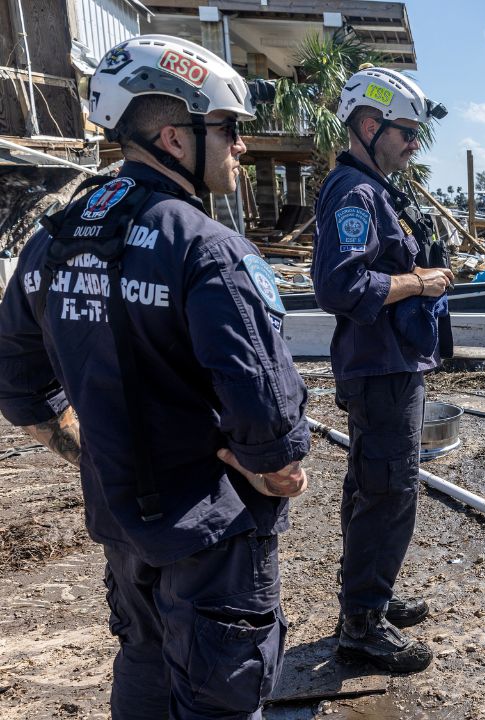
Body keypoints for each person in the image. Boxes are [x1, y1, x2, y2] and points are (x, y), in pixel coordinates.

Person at [0, 35, 310, 718]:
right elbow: (275, 433)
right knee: (219, 700)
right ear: (175, 137)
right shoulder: (208, 250)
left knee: (143, 670)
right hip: (211, 541)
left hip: (122, 528)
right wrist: (277, 470)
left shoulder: (54, 238)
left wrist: (92, 452)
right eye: (230, 128)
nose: (243, 146)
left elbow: (22, 393)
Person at [311, 66, 452, 673]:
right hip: (381, 369)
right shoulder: (355, 194)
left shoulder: (374, 189)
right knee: (390, 492)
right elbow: (339, 285)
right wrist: (419, 281)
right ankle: (362, 625)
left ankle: (369, 598)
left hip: (391, 365)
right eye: (406, 133)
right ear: (369, 126)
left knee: (372, 487)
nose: (413, 145)